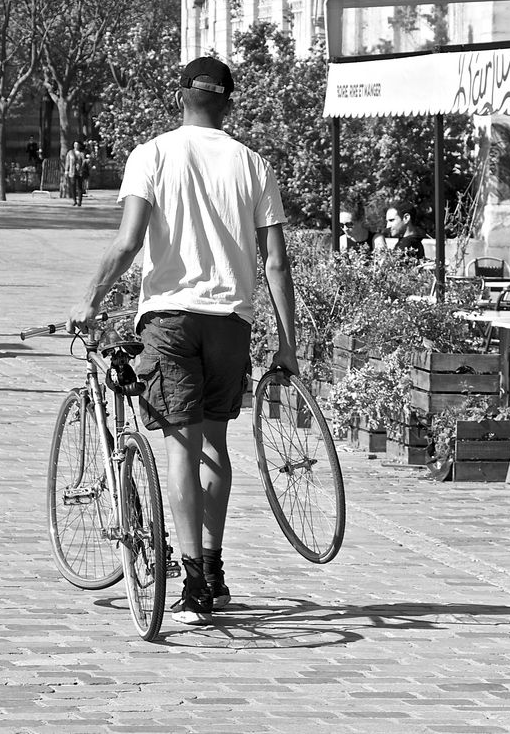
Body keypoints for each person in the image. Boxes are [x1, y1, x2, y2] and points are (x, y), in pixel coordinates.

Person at [67, 56, 296, 627]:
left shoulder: (153, 154)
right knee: (215, 445)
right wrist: (288, 344)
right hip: (230, 320)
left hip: (169, 318)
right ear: (229, 101)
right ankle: (214, 570)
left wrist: (89, 300)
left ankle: (191, 580)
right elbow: (276, 263)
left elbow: (127, 243)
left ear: (180, 96)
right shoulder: (253, 164)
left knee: (180, 451)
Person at [65, 140, 87, 206]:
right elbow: (67, 162)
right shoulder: (70, 153)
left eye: (77, 144)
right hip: (72, 171)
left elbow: (84, 162)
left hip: (80, 172)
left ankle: (80, 201)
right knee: (73, 186)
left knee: (80, 187)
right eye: (75, 144)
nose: (76, 146)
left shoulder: (82, 153)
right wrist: (66, 170)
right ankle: (74, 200)